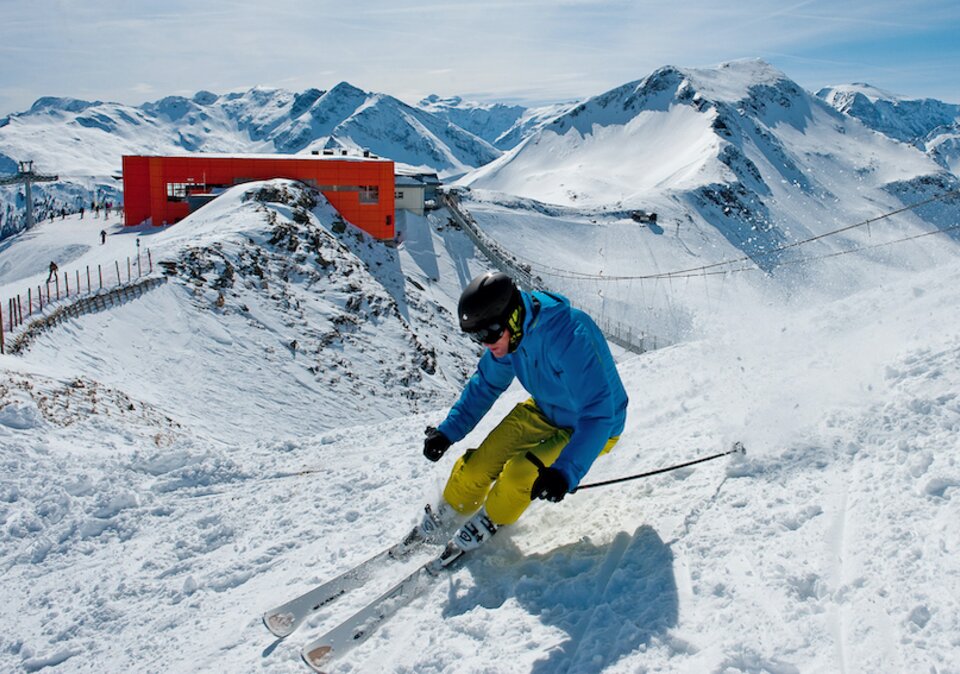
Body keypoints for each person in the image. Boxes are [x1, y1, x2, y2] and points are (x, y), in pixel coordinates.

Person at [405, 272, 628, 567]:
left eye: (490, 333)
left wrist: (565, 472)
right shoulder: (510, 337)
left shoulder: (569, 335)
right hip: (546, 408)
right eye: (477, 336)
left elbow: (599, 412)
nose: (486, 343)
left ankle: (491, 519)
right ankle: (452, 510)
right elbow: (486, 384)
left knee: (521, 473)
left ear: (511, 318)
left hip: (593, 425)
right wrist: (448, 431)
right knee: (481, 463)